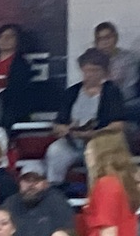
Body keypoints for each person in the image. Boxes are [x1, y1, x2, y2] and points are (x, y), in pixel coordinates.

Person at [45, 48, 126, 187]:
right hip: (72, 142)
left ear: (103, 72)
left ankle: (95, 192)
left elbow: (118, 124)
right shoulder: (72, 92)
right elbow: (58, 123)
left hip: (100, 142)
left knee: (96, 155)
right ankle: (55, 188)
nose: (90, 75)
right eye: (87, 70)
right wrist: (63, 129)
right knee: (55, 150)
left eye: (95, 71)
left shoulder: (111, 92)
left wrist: (94, 133)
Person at [2, 163, 75, 236]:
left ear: (46, 183)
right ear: (20, 183)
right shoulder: (10, 204)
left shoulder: (58, 202)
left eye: (36, 180)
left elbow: (66, 231)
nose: (31, 185)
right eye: (26, 180)